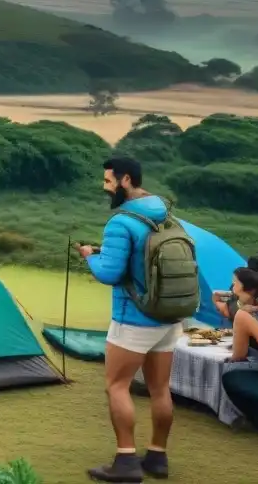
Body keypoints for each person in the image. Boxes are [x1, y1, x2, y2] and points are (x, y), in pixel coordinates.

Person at [78, 157, 192, 483]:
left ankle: (126, 461)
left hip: (134, 318)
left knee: (116, 385)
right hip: (169, 318)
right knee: (160, 389)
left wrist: (91, 257)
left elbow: (110, 273)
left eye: (108, 181)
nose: (105, 188)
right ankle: (157, 456)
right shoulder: (166, 215)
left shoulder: (121, 222)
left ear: (125, 180)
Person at [226, 267, 258, 362]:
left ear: (246, 286)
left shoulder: (243, 315)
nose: (233, 283)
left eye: (235, 281)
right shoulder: (253, 309)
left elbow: (238, 357)